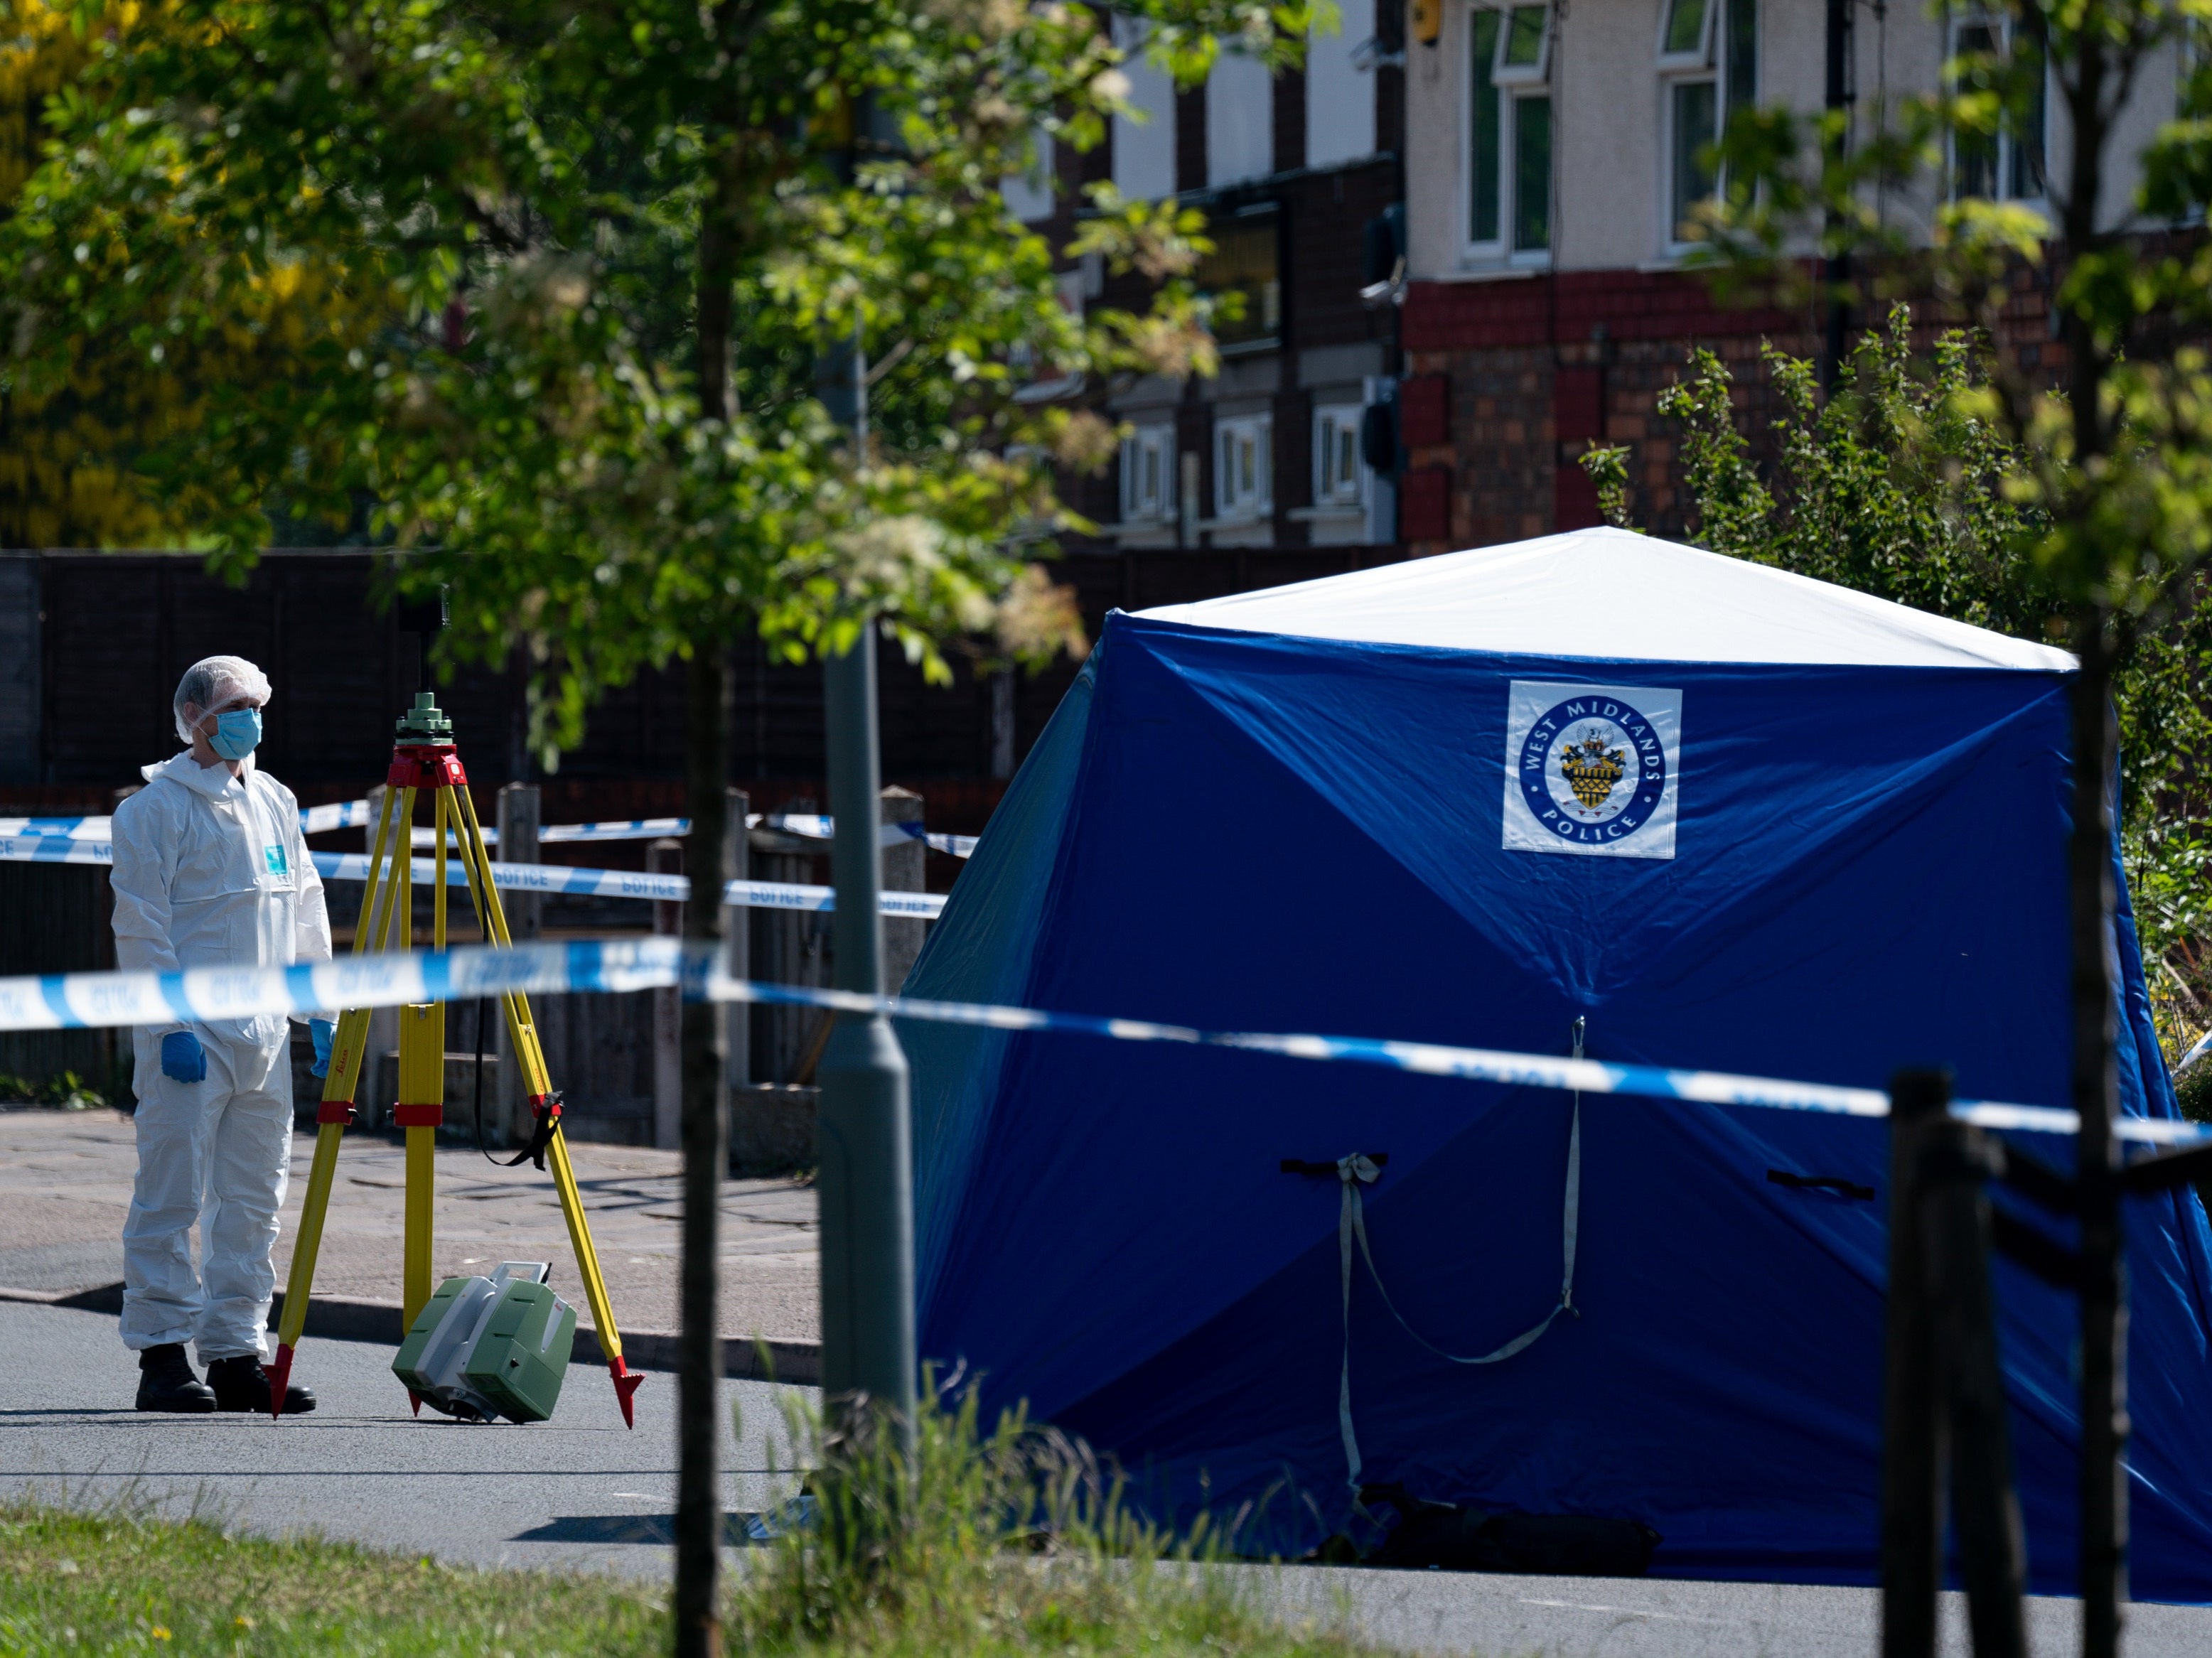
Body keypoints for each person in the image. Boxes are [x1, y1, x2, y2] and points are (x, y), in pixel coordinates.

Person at [111, 656, 335, 1414]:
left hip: (265, 1035)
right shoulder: (155, 809)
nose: (252, 718)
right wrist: (169, 1022)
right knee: (171, 1193)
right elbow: (141, 925)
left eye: (260, 704)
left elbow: (304, 907)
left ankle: (237, 1352)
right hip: (192, 1036)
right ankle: (162, 1355)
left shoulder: (274, 798)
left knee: (252, 1198)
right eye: (238, 705)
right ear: (195, 715)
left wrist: (323, 1008)